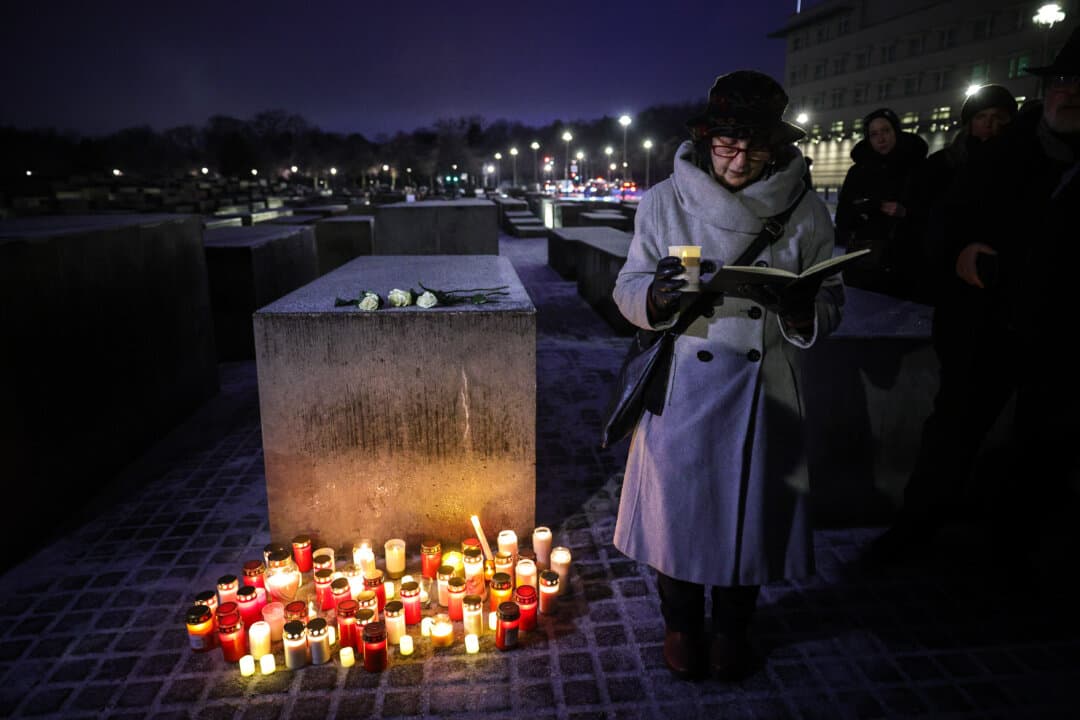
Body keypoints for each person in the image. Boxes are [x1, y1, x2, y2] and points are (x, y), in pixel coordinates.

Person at [611, 70, 842, 681]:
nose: (740, 160)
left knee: (751, 514)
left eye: (756, 147)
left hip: (763, 391)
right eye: (728, 145)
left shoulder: (804, 206)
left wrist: (803, 309)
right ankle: (682, 622)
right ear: (708, 138)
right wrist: (656, 297)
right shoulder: (665, 200)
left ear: (777, 145)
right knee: (681, 516)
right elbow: (628, 286)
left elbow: (832, 290)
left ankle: (734, 627)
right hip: (686, 385)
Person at [869, 85, 1019, 563]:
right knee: (954, 420)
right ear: (967, 122)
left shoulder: (1026, 165)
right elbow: (924, 234)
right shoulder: (947, 169)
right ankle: (918, 524)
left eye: (1001, 118)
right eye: (983, 118)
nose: (992, 127)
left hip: (1020, 313)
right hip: (966, 311)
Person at [834, 107, 929, 300]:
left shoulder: (918, 168)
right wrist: (869, 207)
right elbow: (843, 219)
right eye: (874, 134)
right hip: (866, 264)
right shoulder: (858, 172)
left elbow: (933, 212)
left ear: (896, 131)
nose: (881, 138)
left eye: (886, 130)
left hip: (907, 264)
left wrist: (906, 213)